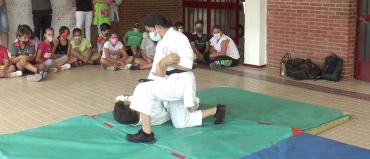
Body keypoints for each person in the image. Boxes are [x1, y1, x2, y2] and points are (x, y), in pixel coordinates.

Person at [125, 12, 226, 143]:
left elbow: (189, 65)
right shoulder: (162, 42)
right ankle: (217, 110)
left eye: (150, 30)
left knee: (142, 89)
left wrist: (169, 62)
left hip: (180, 82)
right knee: (180, 122)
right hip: (169, 81)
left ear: (157, 27)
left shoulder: (178, 38)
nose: (150, 34)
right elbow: (159, 71)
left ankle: (146, 134)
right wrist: (163, 62)